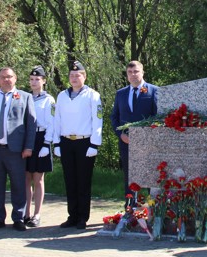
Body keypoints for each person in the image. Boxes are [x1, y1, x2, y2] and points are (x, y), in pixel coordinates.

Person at [0, 67, 37, 232]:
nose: (6, 80)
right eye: (3, 77)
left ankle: (18, 218)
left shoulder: (25, 97)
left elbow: (31, 124)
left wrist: (28, 147)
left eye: (9, 77)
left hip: (16, 150)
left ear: (15, 78)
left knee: (18, 185)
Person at [53, 60, 103, 229]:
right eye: (72, 75)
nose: (74, 78)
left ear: (84, 76)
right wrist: (56, 143)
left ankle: (83, 217)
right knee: (70, 181)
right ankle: (72, 215)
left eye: (78, 75)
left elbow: (98, 120)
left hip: (85, 142)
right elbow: (56, 120)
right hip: (66, 142)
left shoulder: (92, 95)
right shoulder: (62, 96)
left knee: (83, 181)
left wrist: (94, 144)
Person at [110, 60, 158, 205]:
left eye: (136, 71)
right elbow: (114, 117)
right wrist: (120, 135)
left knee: (150, 175)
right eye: (130, 72)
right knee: (130, 175)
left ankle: (153, 208)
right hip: (126, 142)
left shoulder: (153, 91)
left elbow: (158, 117)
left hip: (148, 143)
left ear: (142, 72)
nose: (133, 75)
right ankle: (130, 207)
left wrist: (147, 136)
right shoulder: (121, 93)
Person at [24, 65, 55, 227]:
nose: (34, 82)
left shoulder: (48, 100)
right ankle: (26, 213)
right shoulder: (24, 97)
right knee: (26, 177)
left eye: (37, 79)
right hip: (27, 139)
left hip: (41, 137)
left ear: (44, 81)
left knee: (38, 178)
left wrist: (46, 143)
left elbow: (52, 123)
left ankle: (37, 214)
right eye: (31, 79)